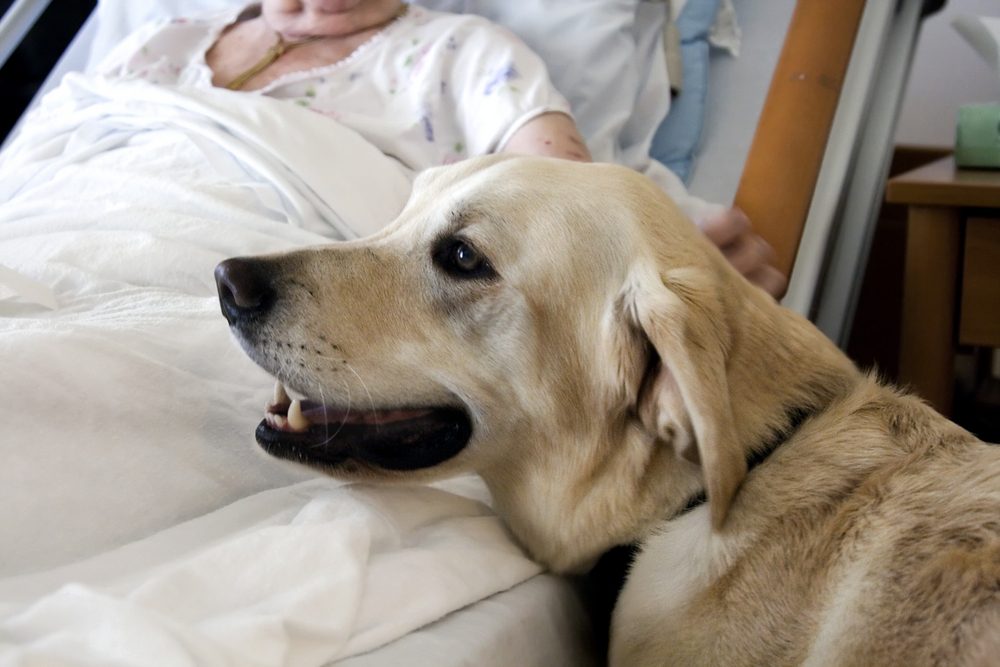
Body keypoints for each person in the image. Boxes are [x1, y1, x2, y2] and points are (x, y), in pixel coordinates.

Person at [98, 0, 784, 297]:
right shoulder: (161, 42)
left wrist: (669, 258)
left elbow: (567, 196)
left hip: (249, 276)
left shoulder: (461, 56)